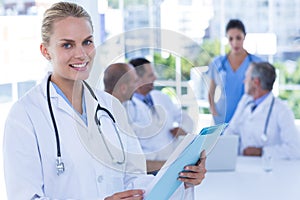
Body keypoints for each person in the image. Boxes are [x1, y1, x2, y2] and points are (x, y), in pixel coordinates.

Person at [3, 2, 207, 199]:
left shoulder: (110, 106)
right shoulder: (25, 116)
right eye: (67, 45)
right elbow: (26, 197)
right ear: (45, 51)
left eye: (87, 42)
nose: (81, 54)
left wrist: (181, 178)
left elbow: (135, 180)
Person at [128, 58, 194, 173]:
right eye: (150, 75)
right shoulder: (128, 107)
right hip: (148, 169)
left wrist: (182, 129)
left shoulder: (161, 97)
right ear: (137, 79)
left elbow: (184, 117)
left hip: (171, 163)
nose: (155, 78)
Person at [223, 62, 300, 159]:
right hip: (242, 165)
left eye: (246, 77)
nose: (244, 81)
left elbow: (295, 149)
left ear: (256, 82)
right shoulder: (245, 102)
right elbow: (230, 131)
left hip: (268, 170)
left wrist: (262, 151)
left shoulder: (282, 110)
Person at [207, 19, 262, 124]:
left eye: (238, 38)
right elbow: (211, 91)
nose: (235, 42)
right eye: (231, 38)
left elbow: (262, 92)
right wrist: (213, 109)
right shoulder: (217, 63)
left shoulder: (257, 63)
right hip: (222, 117)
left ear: (244, 36)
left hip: (247, 117)